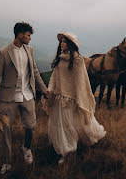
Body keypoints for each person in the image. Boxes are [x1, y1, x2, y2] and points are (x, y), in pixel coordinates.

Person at [0, 22, 48, 175]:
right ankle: (7, 162)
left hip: (27, 95)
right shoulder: (3, 52)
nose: (30, 38)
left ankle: (26, 148)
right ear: (20, 35)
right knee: (6, 130)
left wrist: (44, 90)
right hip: (8, 97)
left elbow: (34, 71)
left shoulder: (30, 50)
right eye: (28, 35)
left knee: (31, 126)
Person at [42, 32, 106, 164]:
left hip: (72, 99)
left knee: (74, 125)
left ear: (71, 44)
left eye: (65, 41)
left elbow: (81, 82)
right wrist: (50, 91)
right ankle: (65, 149)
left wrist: (79, 98)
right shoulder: (60, 58)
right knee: (63, 126)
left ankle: (70, 150)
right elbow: (55, 78)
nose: (62, 44)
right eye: (61, 41)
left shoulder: (77, 60)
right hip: (60, 98)